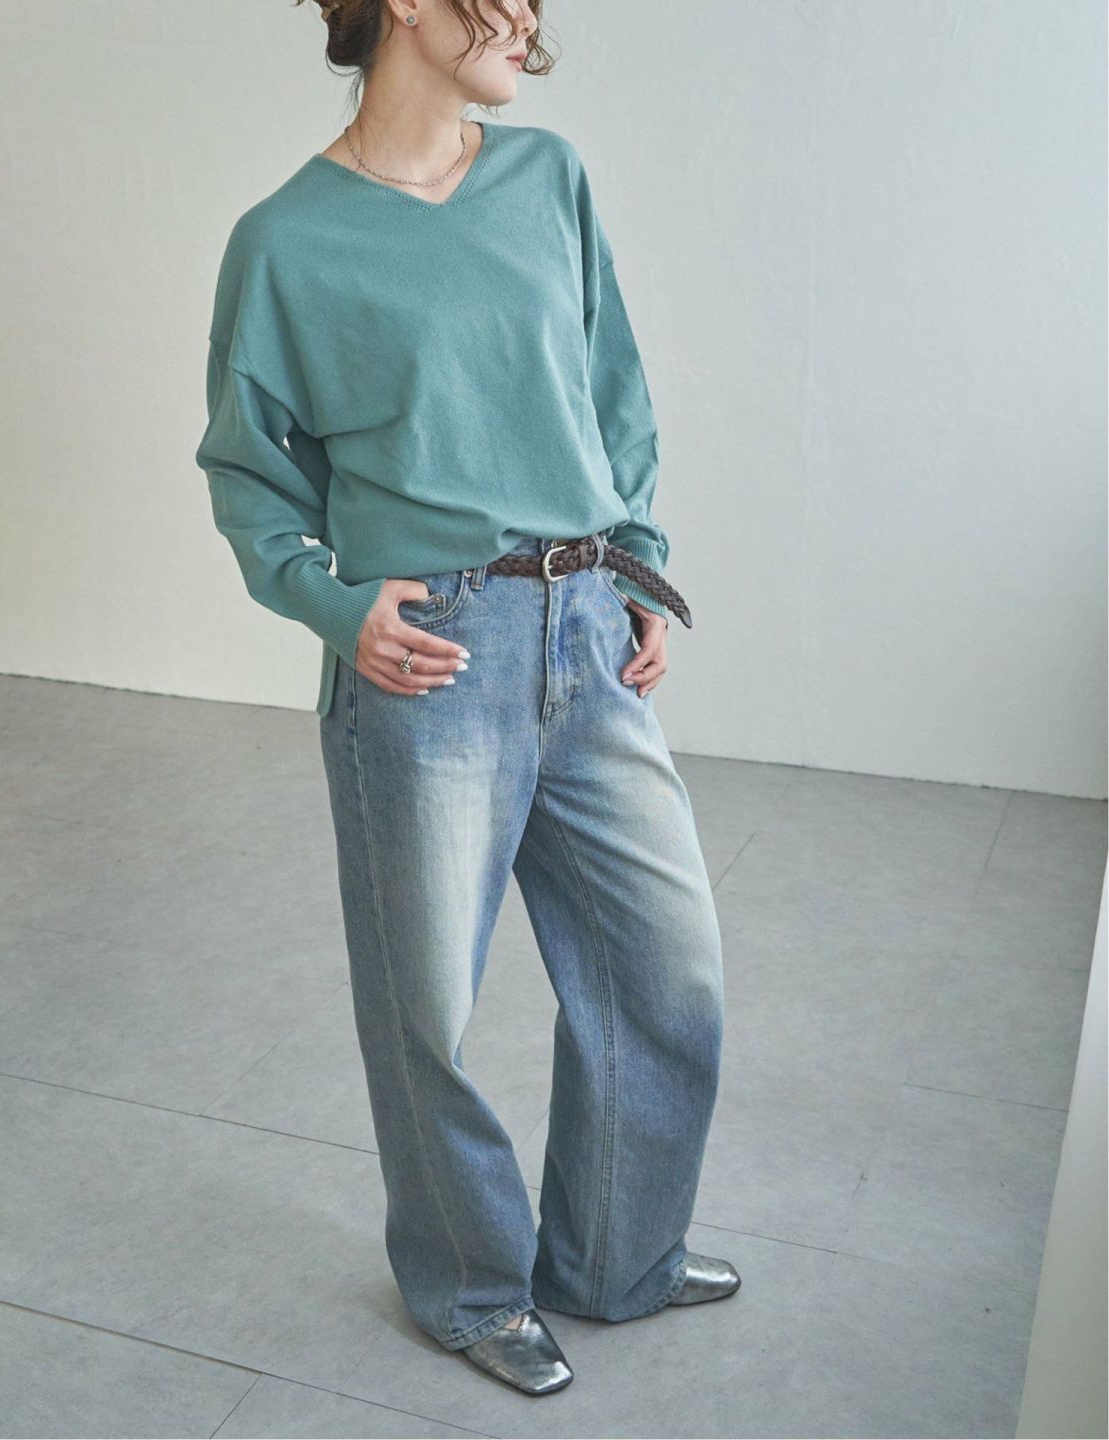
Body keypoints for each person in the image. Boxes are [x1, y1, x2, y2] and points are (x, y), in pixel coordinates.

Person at [194, 0, 737, 1397]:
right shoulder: (287, 241)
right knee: (427, 1005)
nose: (529, 14)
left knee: (666, 968)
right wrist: (336, 605)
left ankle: (618, 1258)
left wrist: (638, 564)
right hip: (431, 651)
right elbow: (249, 474)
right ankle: (472, 1287)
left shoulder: (546, 177)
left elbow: (613, 393)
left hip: (588, 627)